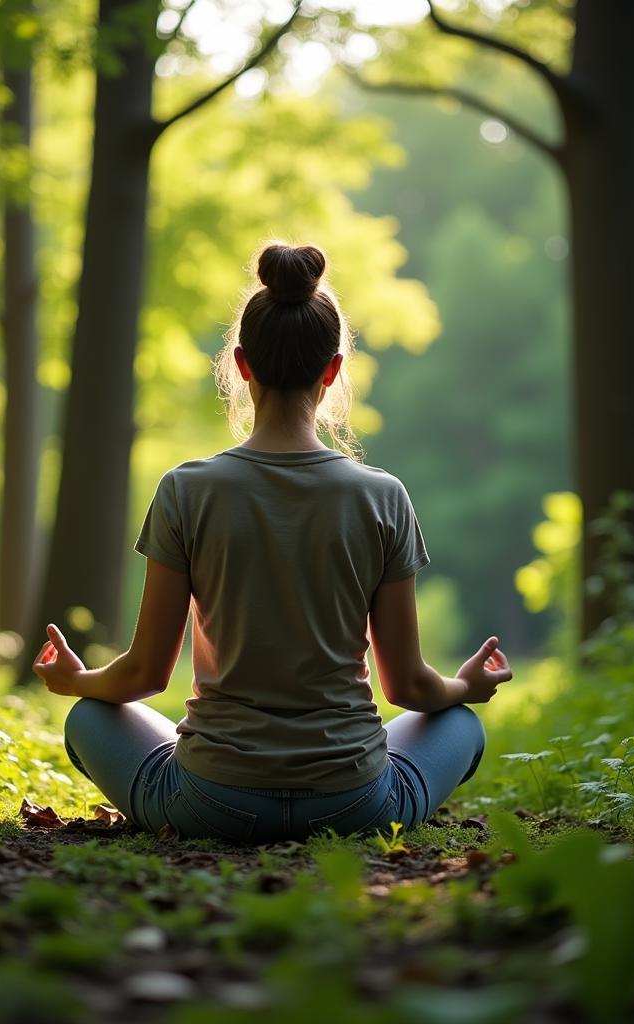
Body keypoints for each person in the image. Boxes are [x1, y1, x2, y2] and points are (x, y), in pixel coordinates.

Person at [32, 241, 513, 844]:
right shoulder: (382, 496)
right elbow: (409, 688)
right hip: (354, 803)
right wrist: (466, 686)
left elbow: (145, 675)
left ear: (241, 364)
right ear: (333, 369)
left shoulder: (186, 490)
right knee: (460, 724)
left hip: (209, 801)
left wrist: (78, 682)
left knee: (89, 718)